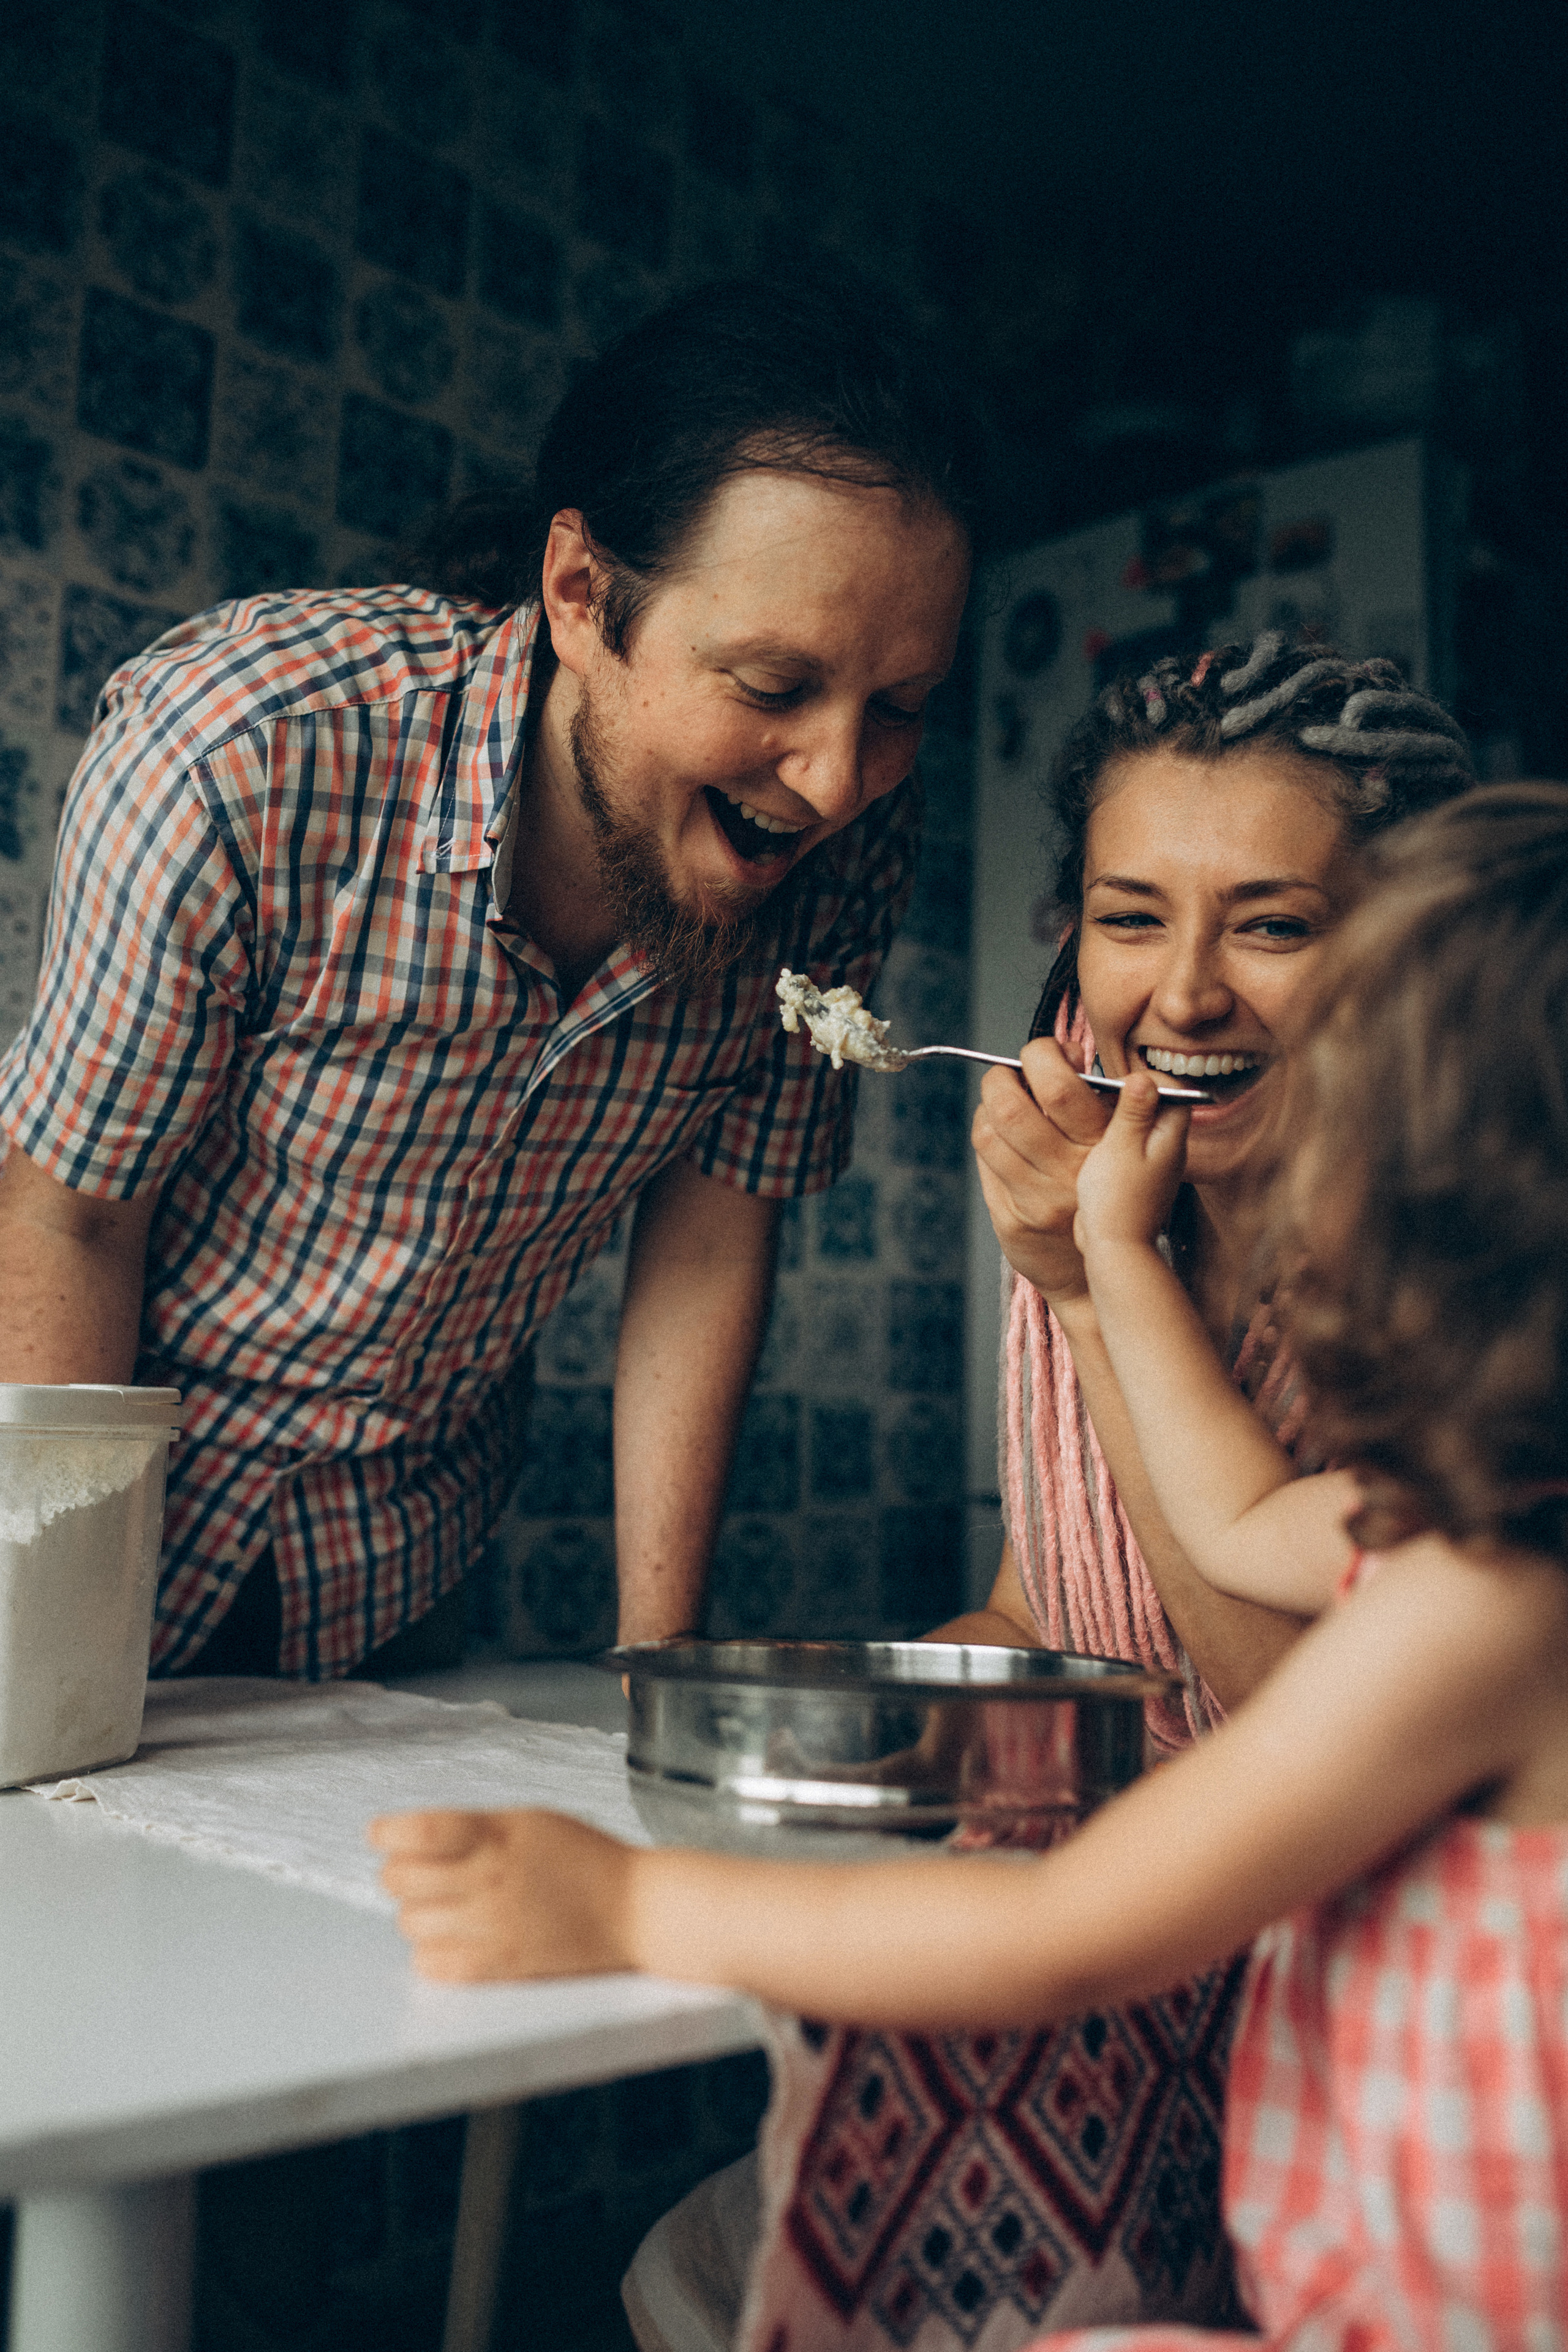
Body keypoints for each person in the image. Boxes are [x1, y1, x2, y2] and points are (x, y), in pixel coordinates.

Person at [372, 778, 1568, 2348]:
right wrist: (1111, 1261)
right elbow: (1217, 1522)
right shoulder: (1468, 1536)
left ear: (1435, 1208)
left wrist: (633, 1906)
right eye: (1129, 914)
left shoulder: (1488, 1610)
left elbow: (1059, 1937)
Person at [619, 635, 1484, 2352]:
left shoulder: (1464, 1298)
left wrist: (1096, 1296)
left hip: (1329, 2023)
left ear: (1408, 962)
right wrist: (833, 1765)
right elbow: (1052, 1610)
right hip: (1098, 1964)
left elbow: (1295, 1730)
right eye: (1133, 914)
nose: (1186, 994)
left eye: (1276, 922)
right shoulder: (1099, 1204)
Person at [0, 272, 979, 1679]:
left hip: (400, 1566)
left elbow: (713, 1233)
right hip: (92, 1515)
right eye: (771, 687)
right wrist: (50, 1661)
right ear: (581, 592)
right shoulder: (241, 748)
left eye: (896, 708)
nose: (834, 782)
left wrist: (663, 1668)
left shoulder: (842, 851)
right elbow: (70, 1221)